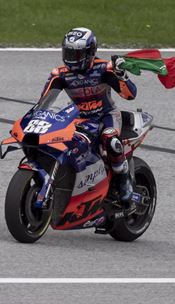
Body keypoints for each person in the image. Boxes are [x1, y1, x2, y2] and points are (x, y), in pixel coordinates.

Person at [37, 27, 138, 203]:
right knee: (60, 141)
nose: (71, 59)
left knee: (111, 140)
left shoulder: (104, 69)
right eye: (68, 53)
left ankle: (124, 181)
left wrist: (122, 76)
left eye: (76, 54)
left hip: (106, 115)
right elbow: (44, 103)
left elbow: (130, 95)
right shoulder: (60, 74)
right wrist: (38, 118)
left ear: (90, 52)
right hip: (77, 118)